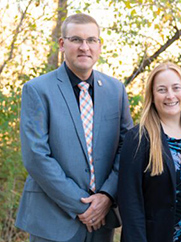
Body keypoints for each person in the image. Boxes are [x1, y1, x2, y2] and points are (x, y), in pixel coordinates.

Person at [15, 13, 133, 242]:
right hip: (53, 220)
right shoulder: (37, 90)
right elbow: (36, 157)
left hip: (102, 222)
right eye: (76, 40)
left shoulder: (115, 90)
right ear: (62, 44)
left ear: (100, 45)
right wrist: (82, 205)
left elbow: (126, 148)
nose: (84, 47)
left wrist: (107, 196)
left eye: (91, 40)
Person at [118, 62, 181, 242]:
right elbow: (130, 204)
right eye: (162, 90)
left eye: (176, 88)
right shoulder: (139, 138)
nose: (170, 95)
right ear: (152, 96)